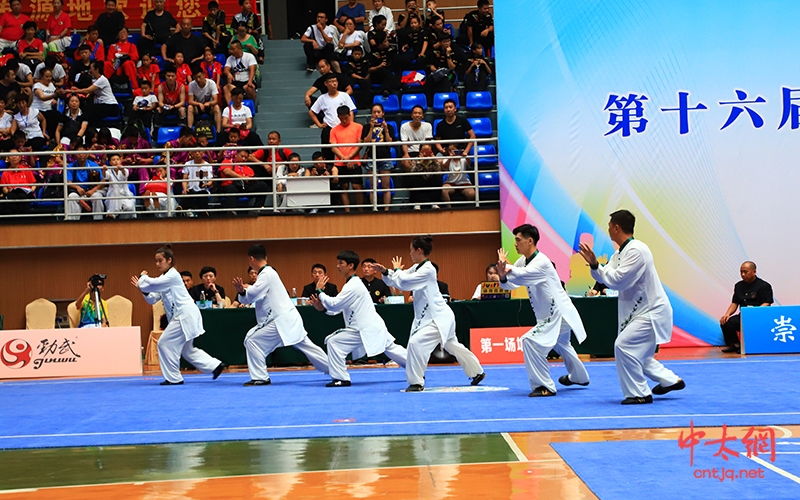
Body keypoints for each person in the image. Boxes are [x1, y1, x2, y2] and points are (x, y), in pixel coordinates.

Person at [579, 209, 685, 404]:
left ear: (617, 227)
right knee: (639, 355)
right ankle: (670, 381)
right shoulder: (620, 253)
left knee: (623, 346)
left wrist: (597, 266)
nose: (608, 230)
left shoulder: (637, 250)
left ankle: (639, 394)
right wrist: (596, 266)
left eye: (610, 227)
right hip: (639, 312)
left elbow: (617, 280)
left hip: (651, 311)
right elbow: (606, 278)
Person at [370, 236, 485, 391]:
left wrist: (396, 271)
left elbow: (405, 282)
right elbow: (399, 278)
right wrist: (386, 271)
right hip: (434, 317)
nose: (409, 253)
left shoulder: (428, 269)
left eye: (411, 250)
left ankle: (416, 382)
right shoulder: (417, 267)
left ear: (419, 250)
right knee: (453, 345)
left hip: (439, 317)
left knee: (416, 343)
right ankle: (478, 372)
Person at [496, 224, 590, 397]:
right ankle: (579, 377)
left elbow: (524, 275)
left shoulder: (542, 262)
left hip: (556, 314)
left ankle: (544, 386)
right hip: (551, 315)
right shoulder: (522, 262)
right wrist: (503, 276)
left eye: (518, 240)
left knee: (530, 342)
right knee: (563, 344)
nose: (515, 244)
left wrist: (506, 267)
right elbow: (511, 283)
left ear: (530, 241)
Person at [234, 244, 330, 385]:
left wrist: (241, 290)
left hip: (281, 320)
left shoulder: (266, 274)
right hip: (288, 318)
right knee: (307, 346)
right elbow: (257, 295)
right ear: (266, 257)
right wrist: (245, 292)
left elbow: (252, 295)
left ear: (251, 259)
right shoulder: (269, 273)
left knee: (252, 341)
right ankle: (335, 369)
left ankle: (260, 377)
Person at [309, 250, 407, 386]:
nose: (338, 266)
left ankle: (341, 378)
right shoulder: (351, 284)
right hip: (366, 327)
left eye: (340, 263)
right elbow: (338, 308)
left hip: (365, 328)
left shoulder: (353, 285)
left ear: (350, 265)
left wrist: (320, 291)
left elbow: (334, 303)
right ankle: (416, 368)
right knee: (391, 349)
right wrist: (323, 308)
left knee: (334, 342)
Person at [132, 245, 226, 385]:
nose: (157, 264)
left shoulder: (173, 275)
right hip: (183, 316)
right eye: (156, 261)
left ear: (169, 260)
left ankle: (174, 378)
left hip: (185, 314)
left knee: (164, 343)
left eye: (160, 261)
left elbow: (153, 283)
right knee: (187, 350)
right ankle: (215, 366)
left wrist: (143, 278)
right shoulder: (165, 278)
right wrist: (143, 288)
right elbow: (152, 298)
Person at [719, 261, 774, 353]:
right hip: (744, 316)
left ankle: (751, 346)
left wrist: (754, 313)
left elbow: (767, 303)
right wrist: (727, 314)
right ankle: (735, 344)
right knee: (726, 322)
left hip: (758, 316)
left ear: (754, 271)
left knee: (753, 325)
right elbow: (735, 303)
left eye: (746, 272)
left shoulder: (764, 286)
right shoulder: (738, 286)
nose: (743, 274)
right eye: (741, 272)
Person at [309, 74, 356, 160]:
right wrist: (319, 124)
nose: (334, 84)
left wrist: (351, 126)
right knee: (327, 153)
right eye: (331, 82)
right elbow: (312, 112)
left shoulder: (344, 95)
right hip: (329, 128)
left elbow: (351, 111)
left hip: (343, 127)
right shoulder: (322, 98)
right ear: (326, 83)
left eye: (335, 81)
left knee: (345, 151)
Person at [361, 102, 395, 210]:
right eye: (374, 112)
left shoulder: (389, 126)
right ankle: (374, 208)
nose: (376, 114)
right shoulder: (366, 127)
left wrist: (385, 129)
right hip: (371, 157)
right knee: (372, 186)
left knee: (386, 186)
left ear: (383, 113)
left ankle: (386, 209)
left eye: (378, 112)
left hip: (385, 157)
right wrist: (371, 128)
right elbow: (366, 142)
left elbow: (389, 142)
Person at [329, 105, 363, 211]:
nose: (344, 120)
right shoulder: (334, 130)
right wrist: (344, 158)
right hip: (340, 163)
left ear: (350, 115)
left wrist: (349, 157)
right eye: (341, 118)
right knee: (343, 187)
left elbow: (360, 144)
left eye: (346, 118)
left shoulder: (358, 127)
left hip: (355, 161)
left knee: (357, 187)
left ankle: (361, 211)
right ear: (338, 117)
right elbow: (333, 148)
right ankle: (347, 211)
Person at [69, 60, 120, 127]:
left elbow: (88, 90)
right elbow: (88, 93)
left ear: (97, 69)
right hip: (102, 105)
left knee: (88, 109)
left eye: (91, 68)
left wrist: (72, 91)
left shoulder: (102, 80)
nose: (90, 70)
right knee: (87, 109)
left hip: (110, 106)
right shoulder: (96, 81)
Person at [64, 144, 104, 220]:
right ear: (75, 154)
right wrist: (77, 187)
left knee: (97, 197)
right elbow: (68, 181)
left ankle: (98, 222)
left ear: (87, 154)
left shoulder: (93, 165)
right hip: (78, 192)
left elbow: (103, 181)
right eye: (78, 153)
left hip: (92, 191)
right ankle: (73, 223)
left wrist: (93, 190)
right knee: (71, 197)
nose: (81, 155)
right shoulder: (71, 166)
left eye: (83, 152)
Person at [0, 150, 36, 214]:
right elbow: (4, 188)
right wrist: (7, 190)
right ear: (8, 158)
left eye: (16, 155)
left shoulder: (26, 170)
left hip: (25, 193)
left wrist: (31, 190)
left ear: (20, 158)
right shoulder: (5, 173)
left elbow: (33, 184)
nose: (14, 157)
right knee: (12, 196)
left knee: (22, 196)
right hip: (12, 193)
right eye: (11, 155)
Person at [408, 143, 441, 210]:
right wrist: (420, 162)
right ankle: (417, 203)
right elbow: (412, 171)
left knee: (438, 178)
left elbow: (439, 170)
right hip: (420, 181)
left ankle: (434, 203)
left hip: (430, 181)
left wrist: (434, 161)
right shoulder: (416, 159)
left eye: (428, 150)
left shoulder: (434, 160)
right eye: (424, 150)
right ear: (420, 151)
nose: (426, 152)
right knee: (413, 179)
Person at [441, 142, 475, 207]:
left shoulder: (463, 159)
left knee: (472, 194)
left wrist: (466, 156)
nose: (452, 152)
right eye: (450, 150)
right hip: (450, 182)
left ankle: (467, 210)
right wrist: (450, 158)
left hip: (464, 182)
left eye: (453, 150)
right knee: (444, 191)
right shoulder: (446, 159)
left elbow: (469, 164)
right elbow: (444, 167)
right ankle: (449, 210)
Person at [181, 148, 213, 215]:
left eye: (199, 151)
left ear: (203, 153)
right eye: (195, 152)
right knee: (187, 196)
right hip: (190, 189)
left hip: (203, 190)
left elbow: (210, 180)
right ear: (192, 154)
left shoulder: (208, 166)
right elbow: (184, 179)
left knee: (202, 196)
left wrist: (206, 184)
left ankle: (204, 213)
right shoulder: (188, 164)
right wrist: (184, 189)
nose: (197, 153)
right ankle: (180, 210)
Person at [104, 152, 136, 218]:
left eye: (117, 159)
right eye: (113, 160)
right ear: (110, 162)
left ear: (120, 161)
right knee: (115, 192)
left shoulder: (125, 170)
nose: (116, 161)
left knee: (129, 207)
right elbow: (105, 176)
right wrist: (103, 170)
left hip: (124, 194)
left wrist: (122, 169)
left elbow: (125, 175)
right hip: (113, 195)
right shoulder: (109, 171)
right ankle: (112, 214)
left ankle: (122, 221)